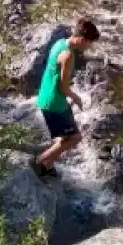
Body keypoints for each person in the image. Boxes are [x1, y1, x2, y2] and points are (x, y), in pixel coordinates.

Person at [33, 17, 101, 178]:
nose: (89, 47)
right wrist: (76, 98)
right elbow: (63, 87)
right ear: (82, 40)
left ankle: (48, 165)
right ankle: (41, 161)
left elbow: (55, 75)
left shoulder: (60, 43)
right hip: (54, 102)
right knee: (75, 138)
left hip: (45, 95)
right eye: (89, 43)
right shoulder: (68, 55)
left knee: (66, 136)